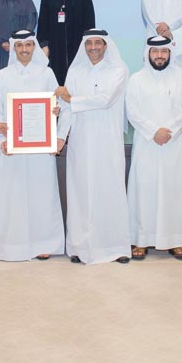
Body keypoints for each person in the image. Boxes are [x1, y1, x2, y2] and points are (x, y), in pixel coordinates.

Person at [0, 30, 65, 261]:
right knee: (13, 195)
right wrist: (3, 140)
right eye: (20, 46)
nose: (25, 50)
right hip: (13, 148)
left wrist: (55, 113)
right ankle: (13, 245)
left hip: (41, 148)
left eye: (29, 45)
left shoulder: (46, 73)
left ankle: (44, 243)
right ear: (13, 48)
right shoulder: (1, 76)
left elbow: (57, 105)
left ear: (35, 47)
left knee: (42, 193)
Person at [56, 29, 131, 264]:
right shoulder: (75, 70)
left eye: (98, 43)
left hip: (107, 141)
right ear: (84, 46)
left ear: (106, 45)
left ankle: (115, 247)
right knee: (80, 192)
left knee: (109, 190)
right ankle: (80, 247)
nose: (93, 47)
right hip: (80, 140)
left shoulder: (119, 70)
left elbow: (105, 100)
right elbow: (65, 108)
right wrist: (60, 137)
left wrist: (71, 99)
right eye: (89, 43)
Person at [125, 36, 182, 260]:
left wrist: (170, 131)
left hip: (174, 143)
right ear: (148, 53)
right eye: (155, 52)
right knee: (144, 190)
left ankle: (176, 239)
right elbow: (132, 111)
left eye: (164, 52)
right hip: (147, 144)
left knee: (175, 190)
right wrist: (153, 131)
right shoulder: (136, 79)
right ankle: (141, 239)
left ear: (170, 54)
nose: (159, 56)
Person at [37, 0, 96, 85]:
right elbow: (43, 20)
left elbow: (89, 18)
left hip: (78, 42)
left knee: (78, 79)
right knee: (56, 78)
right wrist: (44, 44)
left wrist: (89, 41)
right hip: (55, 44)